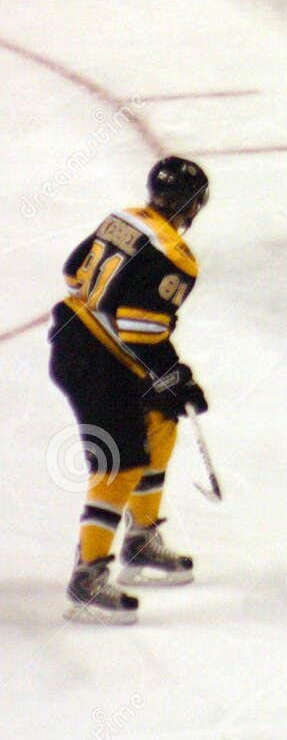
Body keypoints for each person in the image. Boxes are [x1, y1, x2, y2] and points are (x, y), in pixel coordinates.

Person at [48, 158, 210, 624]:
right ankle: (88, 577)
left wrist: (168, 380)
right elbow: (140, 330)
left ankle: (140, 541)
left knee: (160, 422)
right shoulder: (176, 256)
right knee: (119, 463)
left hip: (83, 341)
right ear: (195, 205)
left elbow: (73, 272)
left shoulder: (123, 218)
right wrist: (174, 373)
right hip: (94, 361)